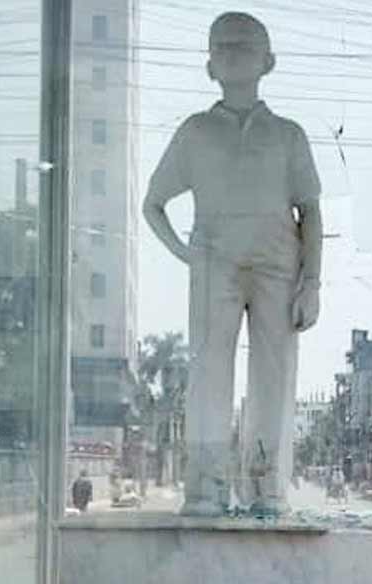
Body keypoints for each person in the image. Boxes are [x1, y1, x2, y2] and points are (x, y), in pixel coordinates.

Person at [144, 12, 322, 517]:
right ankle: (206, 486)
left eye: (245, 45)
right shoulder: (196, 131)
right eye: (221, 46)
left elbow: (311, 212)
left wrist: (312, 283)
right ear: (209, 65)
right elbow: (153, 204)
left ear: (268, 61)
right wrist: (186, 255)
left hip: (277, 266)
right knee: (208, 373)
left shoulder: (288, 135)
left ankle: (266, 487)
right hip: (214, 267)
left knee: (273, 377)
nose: (232, 54)